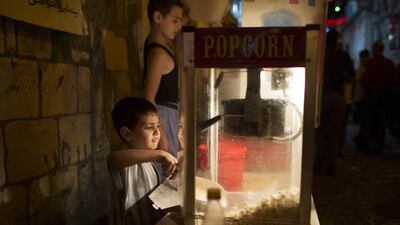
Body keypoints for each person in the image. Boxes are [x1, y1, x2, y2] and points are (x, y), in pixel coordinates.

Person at [108, 97, 178, 225]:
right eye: (149, 127)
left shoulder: (149, 162)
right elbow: (112, 159)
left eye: (158, 125)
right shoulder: (124, 161)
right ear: (127, 134)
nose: (157, 131)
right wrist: (161, 154)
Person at [143, 0, 184, 160]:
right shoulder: (159, 54)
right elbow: (148, 97)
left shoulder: (155, 44)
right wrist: (163, 136)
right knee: (168, 167)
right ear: (158, 17)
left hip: (169, 115)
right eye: (175, 20)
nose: (179, 26)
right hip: (164, 117)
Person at [315, 28, 355, 176]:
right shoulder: (343, 55)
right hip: (338, 96)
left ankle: (320, 160)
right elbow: (351, 75)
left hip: (322, 96)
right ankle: (332, 163)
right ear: (337, 39)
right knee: (335, 132)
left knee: (319, 130)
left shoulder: (321, 55)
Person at [361, 41, 396, 155]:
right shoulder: (389, 63)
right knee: (380, 123)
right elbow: (393, 80)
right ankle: (378, 147)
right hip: (384, 97)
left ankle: (368, 146)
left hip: (372, 96)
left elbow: (365, 80)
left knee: (370, 122)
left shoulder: (371, 63)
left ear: (375, 49)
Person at [352, 49, 370, 150]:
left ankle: (362, 139)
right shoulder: (359, 69)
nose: (364, 60)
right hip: (360, 97)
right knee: (363, 120)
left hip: (364, 97)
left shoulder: (362, 69)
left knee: (364, 121)